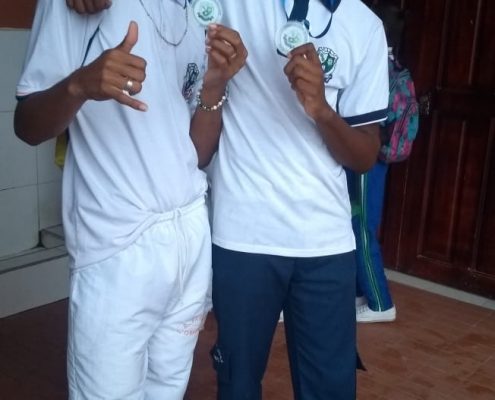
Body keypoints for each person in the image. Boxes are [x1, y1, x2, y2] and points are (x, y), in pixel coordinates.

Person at [67, 0, 389, 399]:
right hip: (243, 238)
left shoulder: (364, 25)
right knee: (237, 385)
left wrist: (322, 110)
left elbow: (364, 155)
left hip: (326, 242)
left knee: (330, 388)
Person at [14, 0, 246, 398]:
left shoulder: (202, 12)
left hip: (188, 238)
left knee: (168, 390)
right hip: (119, 245)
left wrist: (215, 85)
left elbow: (196, 153)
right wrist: (79, 86)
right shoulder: (81, 7)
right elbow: (27, 126)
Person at [347, 0, 405, 323]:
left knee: (362, 227)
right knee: (360, 222)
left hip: (369, 156)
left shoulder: (376, 62)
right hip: (376, 156)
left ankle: (381, 303)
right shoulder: (392, 62)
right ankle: (362, 290)